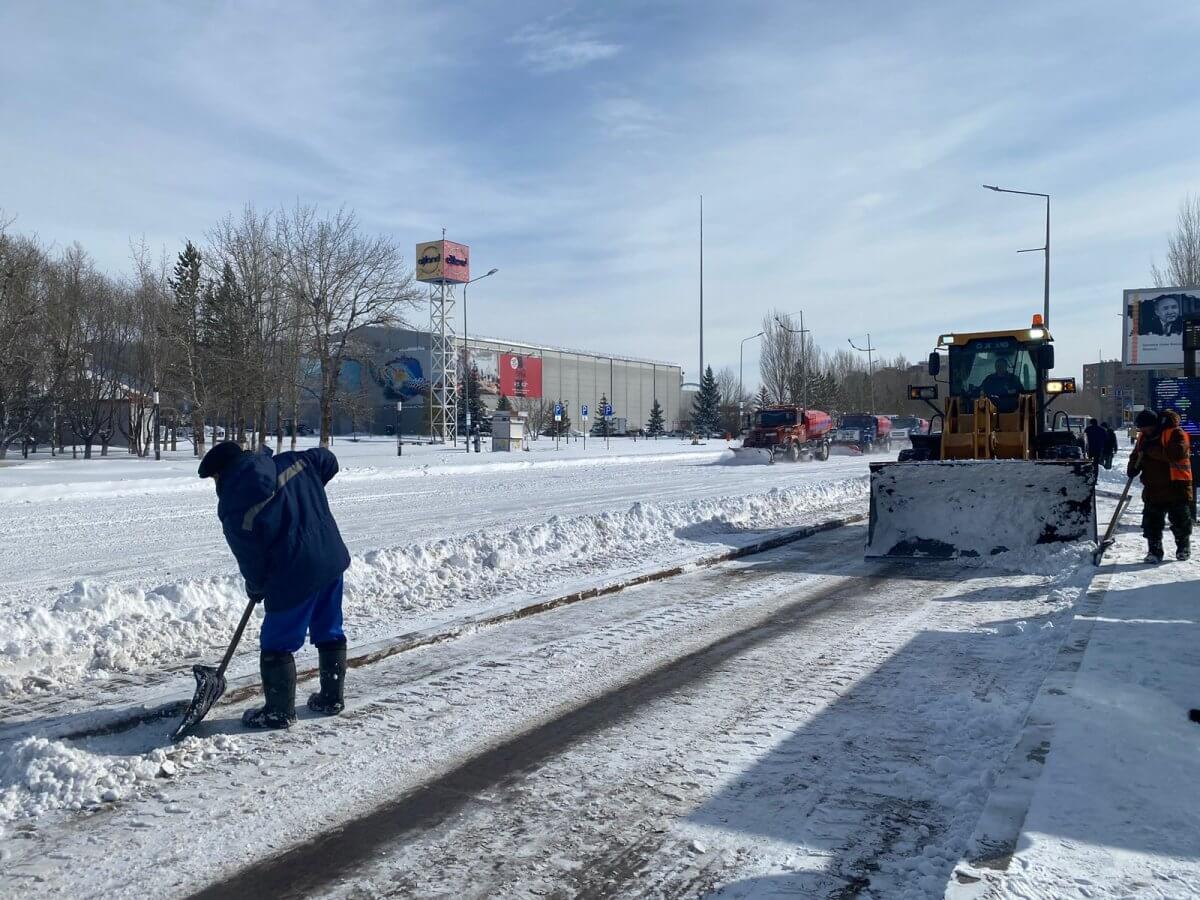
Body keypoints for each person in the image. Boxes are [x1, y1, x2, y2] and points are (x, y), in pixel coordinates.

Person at [198, 441, 352, 728]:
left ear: (221, 474)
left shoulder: (234, 508)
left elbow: (252, 561)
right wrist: (308, 491)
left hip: (293, 574)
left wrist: (256, 586)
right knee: (329, 628)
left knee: (276, 644)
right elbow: (328, 460)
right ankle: (332, 698)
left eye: (214, 479)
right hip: (330, 557)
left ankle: (279, 713)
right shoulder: (296, 462)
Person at [1127, 409, 1192, 564]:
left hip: (1176, 486)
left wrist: (1151, 451)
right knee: (1151, 523)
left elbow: (1177, 453)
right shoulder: (1143, 438)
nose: (1144, 430)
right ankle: (1154, 551)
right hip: (1153, 488)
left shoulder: (1175, 433)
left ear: (1154, 425)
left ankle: (1183, 547)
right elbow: (1136, 455)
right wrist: (1133, 467)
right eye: (1141, 428)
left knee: (1180, 521)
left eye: (1146, 427)